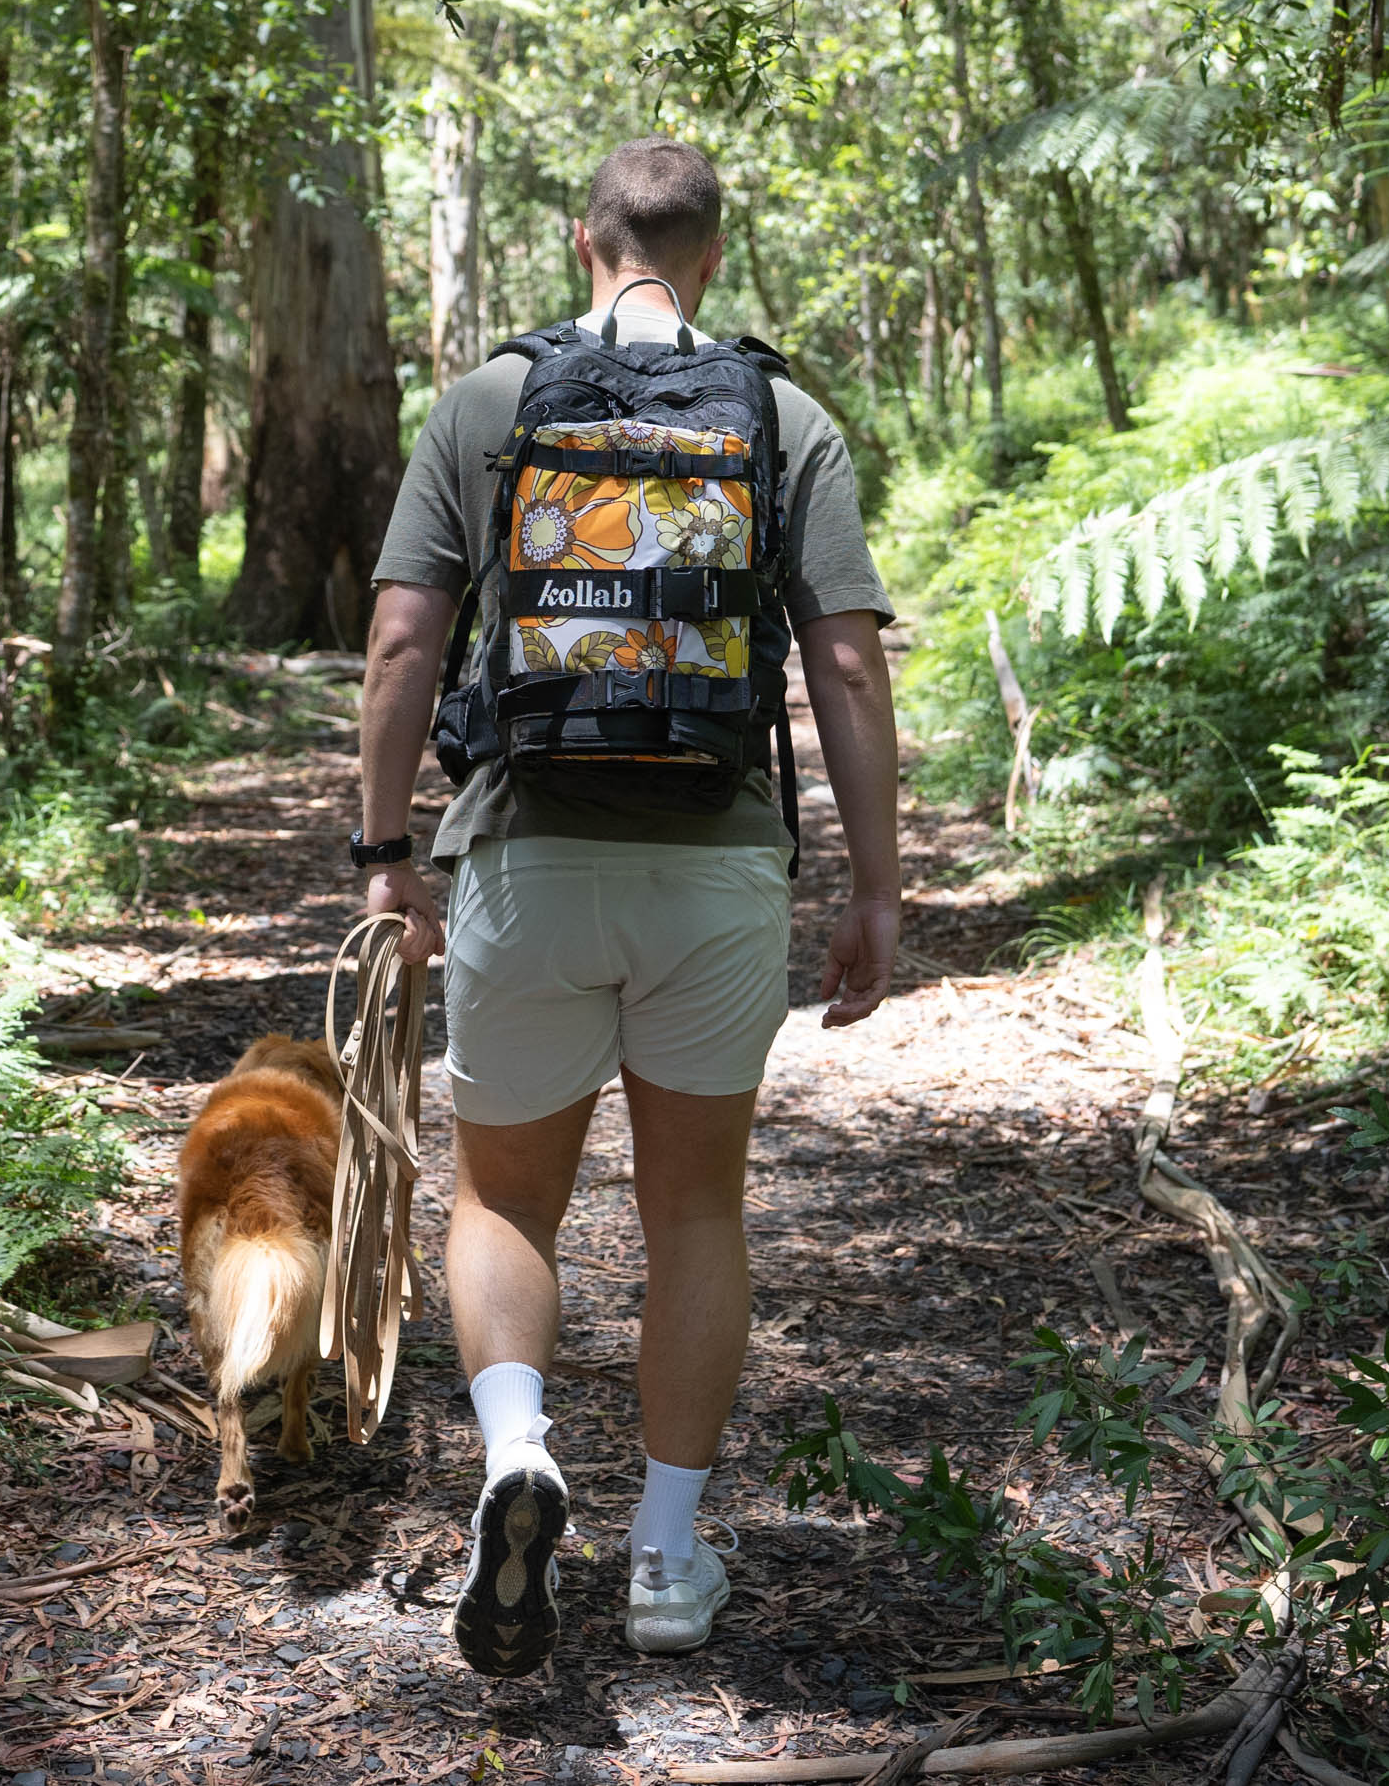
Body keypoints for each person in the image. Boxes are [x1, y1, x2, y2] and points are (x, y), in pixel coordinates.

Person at [351, 135, 900, 1676]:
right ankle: (665, 1554)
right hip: (718, 869)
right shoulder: (783, 419)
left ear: (582, 240)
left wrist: (383, 849)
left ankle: (519, 1451)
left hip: (525, 852)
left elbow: (404, 643)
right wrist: (876, 884)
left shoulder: (482, 406)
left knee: (507, 1196)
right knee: (694, 1210)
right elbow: (847, 661)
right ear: (709, 251)